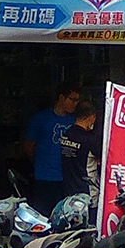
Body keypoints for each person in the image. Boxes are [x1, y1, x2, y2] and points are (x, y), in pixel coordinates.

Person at [25, 85, 80, 213]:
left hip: (68, 178)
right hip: (45, 176)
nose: (75, 104)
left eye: (77, 100)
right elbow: (29, 146)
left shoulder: (75, 120)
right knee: (44, 214)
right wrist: (39, 163)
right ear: (61, 98)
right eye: (72, 99)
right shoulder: (41, 119)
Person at [59, 100, 103, 198]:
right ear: (92, 117)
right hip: (87, 192)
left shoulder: (66, 134)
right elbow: (104, 159)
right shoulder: (89, 140)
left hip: (68, 190)